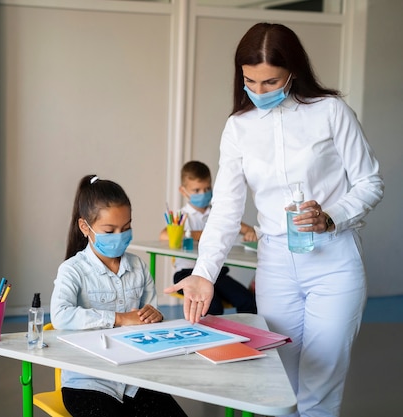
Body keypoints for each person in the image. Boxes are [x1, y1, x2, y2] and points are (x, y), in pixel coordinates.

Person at [165, 23, 384, 417]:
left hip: (334, 263)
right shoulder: (238, 128)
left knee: (320, 388)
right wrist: (203, 272)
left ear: (293, 72)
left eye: (271, 81)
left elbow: (370, 182)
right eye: (250, 81)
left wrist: (330, 217)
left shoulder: (330, 112)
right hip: (276, 265)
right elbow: (227, 209)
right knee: (276, 385)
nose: (259, 91)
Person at [51, 175, 188, 417]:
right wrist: (120, 318)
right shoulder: (72, 270)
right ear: (86, 227)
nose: (119, 236)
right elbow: (61, 316)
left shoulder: (139, 267)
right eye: (109, 230)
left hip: (134, 378)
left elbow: (150, 317)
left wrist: (155, 315)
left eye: (126, 228)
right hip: (87, 382)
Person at [160, 160, 257, 315]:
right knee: (211, 305)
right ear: (183, 191)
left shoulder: (218, 215)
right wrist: (201, 235)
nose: (203, 194)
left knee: (247, 300)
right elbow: (164, 235)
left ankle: (247, 335)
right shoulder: (182, 217)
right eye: (196, 190)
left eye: (207, 189)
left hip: (215, 272)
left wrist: (250, 232)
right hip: (187, 273)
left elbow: (245, 228)